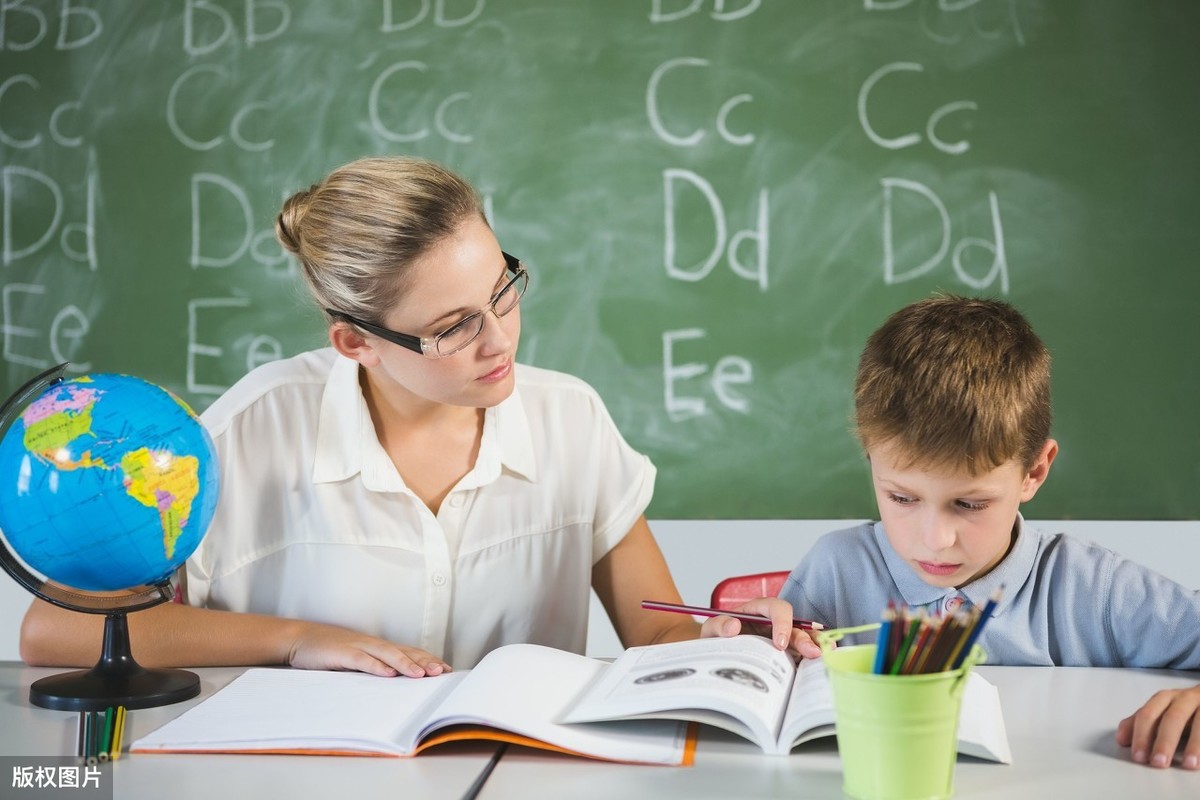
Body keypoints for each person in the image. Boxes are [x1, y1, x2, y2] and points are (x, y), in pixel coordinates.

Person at [21, 156, 819, 677]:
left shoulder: (571, 419)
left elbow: (655, 637)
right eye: (452, 327)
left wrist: (723, 640)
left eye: (503, 291)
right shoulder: (250, 432)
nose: (498, 338)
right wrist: (299, 639)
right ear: (355, 341)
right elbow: (52, 634)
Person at [777, 294, 1200, 770]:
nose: (935, 539)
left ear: (1034, 472)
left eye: (970, 504)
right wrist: (748, 641)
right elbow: (774, 684)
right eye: (901, 498)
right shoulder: (835, 570)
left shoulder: (1092, 588)